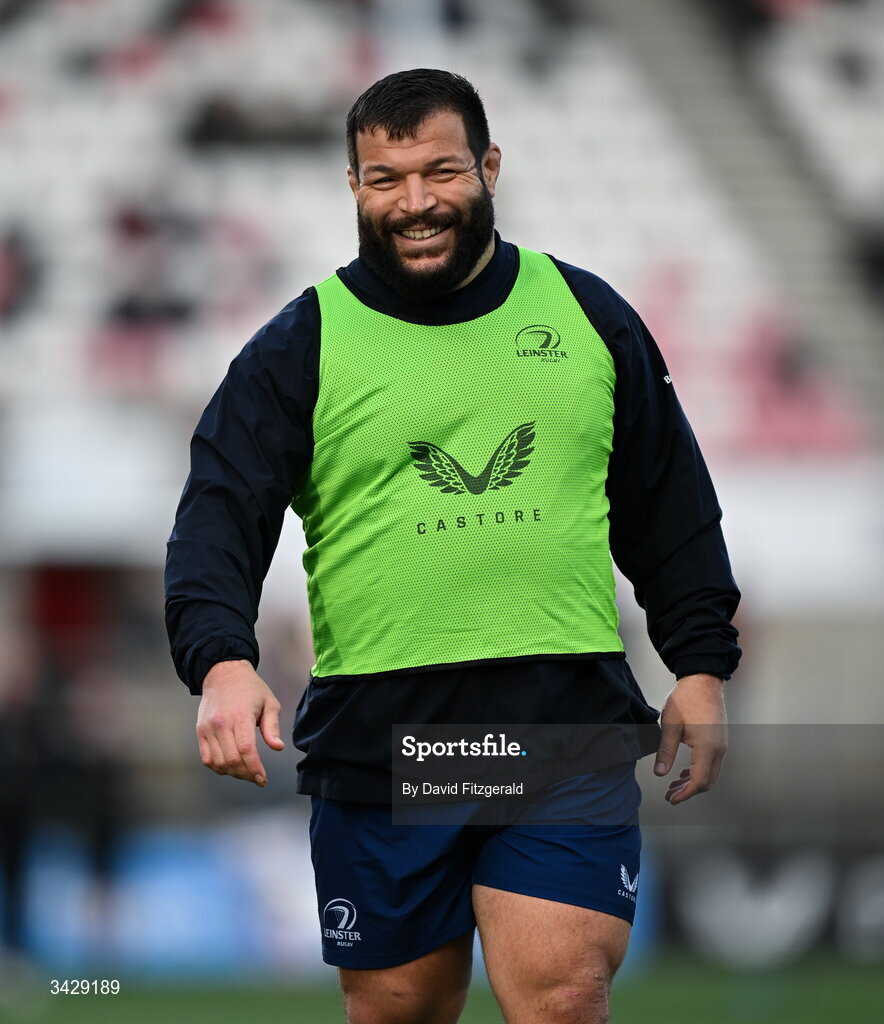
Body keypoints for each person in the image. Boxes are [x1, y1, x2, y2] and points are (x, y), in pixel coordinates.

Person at [165, 68, 740, 1024]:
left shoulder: (588, 317)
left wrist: (701, 664)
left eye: (441, 171)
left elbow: (670, 506)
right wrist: (222, 661)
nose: (416, 202)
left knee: (563, 995)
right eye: (385, 180)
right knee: (398, 1011)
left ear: (490, 166)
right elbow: (217, 518)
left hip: (560, 728)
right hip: (380, 743)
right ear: (354, 187)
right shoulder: (297, 347)